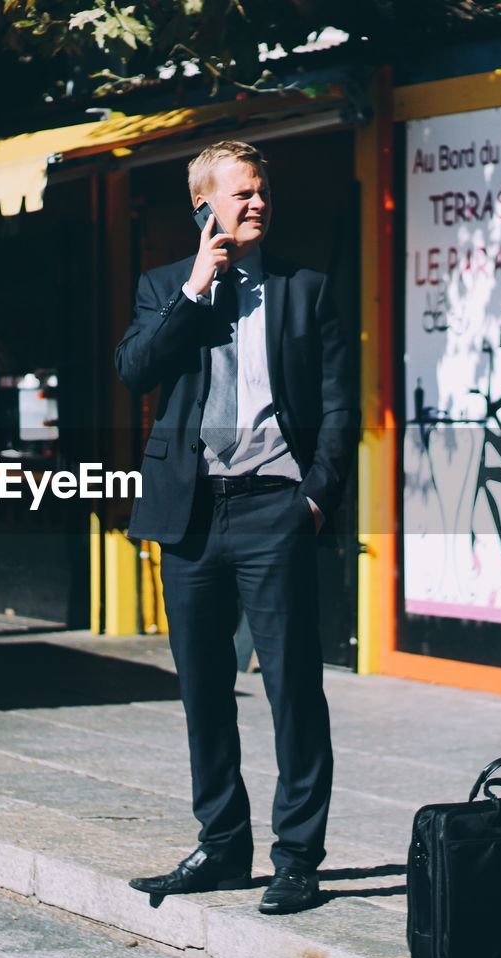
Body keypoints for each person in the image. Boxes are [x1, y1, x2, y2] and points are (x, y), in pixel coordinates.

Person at [115, 141, 357, 914]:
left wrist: (314, 497)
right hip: (189, 513)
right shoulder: (163, 285)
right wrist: (193, 290)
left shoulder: (306, 288)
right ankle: (222, 845)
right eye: (242, 193)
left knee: (292, 687)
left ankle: (297, 857)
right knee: (204, 690)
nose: (257, 203)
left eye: (262, 192)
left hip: (272, 508)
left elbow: (338, 406)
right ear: (203, 207)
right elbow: (133, 371)